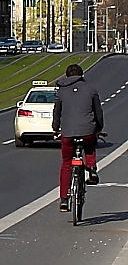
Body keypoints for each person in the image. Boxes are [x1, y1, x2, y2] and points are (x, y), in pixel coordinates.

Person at [53, 63, 104, 211]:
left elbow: (57, 112)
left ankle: (63, 199)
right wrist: (98, 129)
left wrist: (55, 129)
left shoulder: (61, 91)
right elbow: (98, 113)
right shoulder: (91, 89)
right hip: (87, 131)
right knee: (89, 146)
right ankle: (92, 169)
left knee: (67, 163)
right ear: (82, 75)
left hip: (68, 133)